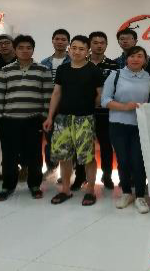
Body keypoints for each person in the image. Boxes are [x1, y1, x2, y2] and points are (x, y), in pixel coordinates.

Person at [44, 35, 104, 206]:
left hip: (85, 119)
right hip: (62, 119)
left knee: (88, 157)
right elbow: (57, 93)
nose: (77, 52)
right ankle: (65, 189)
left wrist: (88, 106)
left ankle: (90, 190)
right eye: (74, 48)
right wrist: (50, 116)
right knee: (64, 156)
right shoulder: (63, 69)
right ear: (69, 49)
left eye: (81, 49)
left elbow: (100, 95)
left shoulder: (93, 70)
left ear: (87, 51)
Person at [0, 35, 53, 201]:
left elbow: (47, 96)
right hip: (9, 120)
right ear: (15, 49)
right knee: (9, 156)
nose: (25, 51)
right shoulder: (5, 70)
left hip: (33, 120)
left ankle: (34, 185)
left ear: (33, 49)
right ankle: (7, 186)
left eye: (28, 47)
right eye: (21, 48)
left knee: (34, 155)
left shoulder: (43, 70)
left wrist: (44, 117)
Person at [102, 46, 150, 214]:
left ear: (145, 60)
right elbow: (105, 100)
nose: (135, 59)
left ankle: (140, 196)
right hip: (118, 124)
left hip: (140, 126)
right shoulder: (115, 75)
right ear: (126, 59)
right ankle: (126, 193)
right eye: (132, 56)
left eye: (140, 56)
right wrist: (125, 107)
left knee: (139, 161)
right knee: (123, 160)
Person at [86, 31, 120, 190]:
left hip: (105, 113)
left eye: (102, 43)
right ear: (89, 45)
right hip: (83, 112)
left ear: (106, 45)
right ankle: (81, 176)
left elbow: (117, 89)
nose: (99, 46)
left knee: (106, 146)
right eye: (95, 42)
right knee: (83, 145)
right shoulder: (81, 63)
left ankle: (107, 175)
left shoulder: (114, 66)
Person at [40, 29, 71, 179]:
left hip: (67, 105)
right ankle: (51, 167)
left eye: (63, 39)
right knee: (50, 139)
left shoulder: (73, 61)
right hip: (48, 106)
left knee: (68, 139)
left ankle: (70, 171)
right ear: (52, 40)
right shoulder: (44, 63)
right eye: (57, 39)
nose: (60, 42)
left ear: (68, 42)